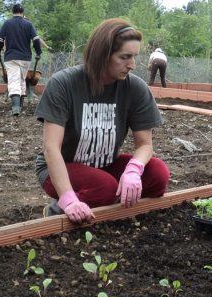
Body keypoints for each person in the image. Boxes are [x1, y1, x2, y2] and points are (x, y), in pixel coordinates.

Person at [34, 18, 170, 224]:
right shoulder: (64, 84)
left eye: (134, 57)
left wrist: (134, 170)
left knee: (158, 174)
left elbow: (145, 145)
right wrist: (68, 198)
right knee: (104, 187)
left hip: (105, 165)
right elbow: (51, 148)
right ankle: (57, 210)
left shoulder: (135, 88)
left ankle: (103, 203)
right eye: (125, 57)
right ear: (102, 55)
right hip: (61, 168)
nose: (132, 65)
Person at [0, 3, 42, 116]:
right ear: (23, 12)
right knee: (21, 80)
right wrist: (38, 52)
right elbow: (36, 39)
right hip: (25, 58)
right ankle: (19, 106)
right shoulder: (28, 24)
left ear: (12, 12)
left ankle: (15, 108)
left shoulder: (7, 24)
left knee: (14, 80)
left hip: (11, 57)